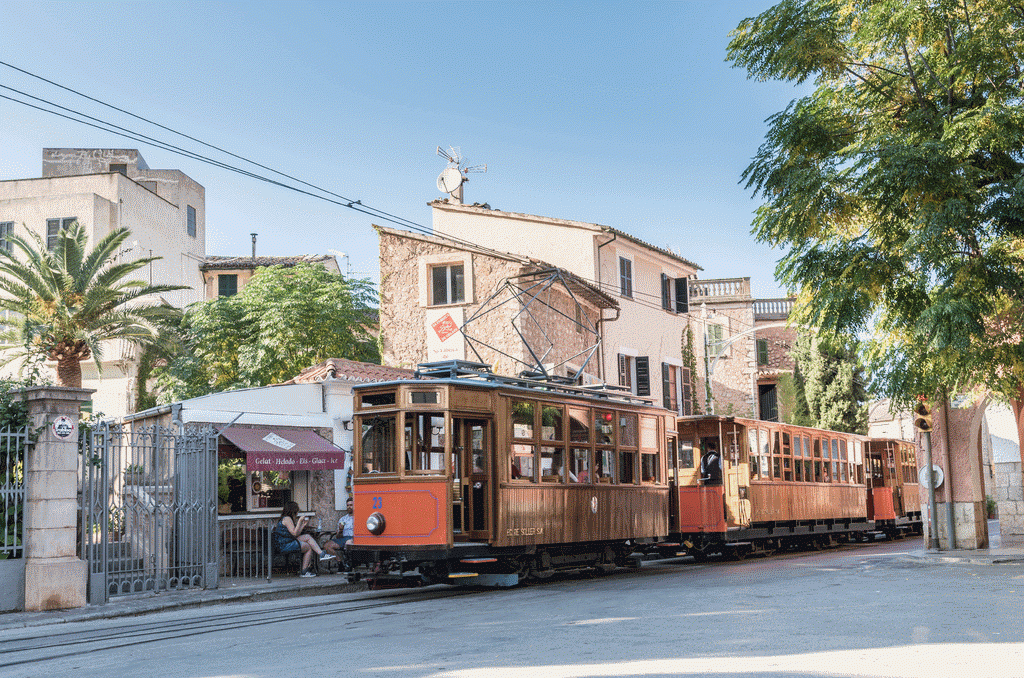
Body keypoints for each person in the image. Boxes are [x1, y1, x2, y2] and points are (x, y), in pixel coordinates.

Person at [273, 501, 334, 577]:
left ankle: (321, 554)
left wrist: (303, 525)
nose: (297, 513)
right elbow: (295, 533)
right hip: (285, 544)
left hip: (287, 541)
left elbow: (296, 534)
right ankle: (304, 572)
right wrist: (299, 521)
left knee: (307, 537)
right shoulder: (287, 519)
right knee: (308, 547)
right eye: (297, 511)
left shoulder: (286, 518)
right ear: (293, 511)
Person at [324, 497, 354, 567]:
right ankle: (340, 563)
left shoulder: (358, 517)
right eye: (348, 505)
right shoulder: (343, 519)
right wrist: (340, 531)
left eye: (351, 505)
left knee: (349, 542)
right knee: (327, 545)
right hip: (343, 538)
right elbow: (338, 536)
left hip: (354, 538)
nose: (349, 507)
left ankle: (349, 564)